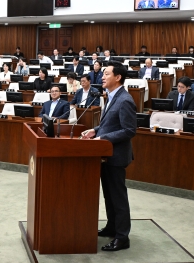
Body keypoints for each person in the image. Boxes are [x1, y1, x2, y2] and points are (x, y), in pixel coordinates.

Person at [81, 62, 136, 252]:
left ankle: (122, 237)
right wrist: (95, 130)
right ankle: (112, 226)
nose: (102, 77)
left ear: (118, 77)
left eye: (106, 74)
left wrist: (103, 137)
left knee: (118, 197)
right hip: (105, 154)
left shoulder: (125, 100)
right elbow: (110, 124)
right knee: (109, 196)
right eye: (103, 74)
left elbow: (129, 130)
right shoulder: (112, 97)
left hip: (116, 155)